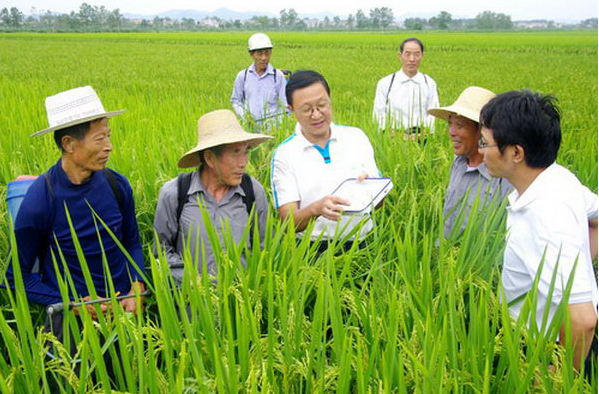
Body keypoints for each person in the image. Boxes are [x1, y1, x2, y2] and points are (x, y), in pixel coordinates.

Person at [478, 90, 598, 372]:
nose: (481, 150)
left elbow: (583, 320)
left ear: (516, 153)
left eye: (486, 143)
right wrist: (578, 260)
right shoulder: (557, 177)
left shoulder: (546, 213)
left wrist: (555, 379)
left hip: (544, 349)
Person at [6, 85, 146, 323]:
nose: (109, 146)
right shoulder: (41, 199)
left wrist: (137, 286)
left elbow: (131, 242)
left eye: (108, 136)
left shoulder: (117, 185)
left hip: (124, 313)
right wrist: (70, 304)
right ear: (69, 144)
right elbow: (16, 277)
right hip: (72, 322)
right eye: (100, 138)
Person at [154, 109, 272, 284]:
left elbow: (264, 249)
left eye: (246, 151)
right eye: (235, 152)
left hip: (241, 304)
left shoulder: (253, 192)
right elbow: (161, 251)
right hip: (191, 303)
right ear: (210, 158)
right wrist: (192, 282)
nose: (243, 162)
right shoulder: (175, 193)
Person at [271, 70, 381, 252]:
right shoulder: (285, 154)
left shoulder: (356, 137)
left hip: (363, 246)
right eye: (307, 109)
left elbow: (379, 203)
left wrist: (369, 188)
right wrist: (316, 209)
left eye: (322, 105)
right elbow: (288, 222)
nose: (316, 115)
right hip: (313, 251)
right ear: (291, 110)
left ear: (330, 99)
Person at [428, 86, 513, 238]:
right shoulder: (458, 161)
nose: (451, 132)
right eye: (450, 124)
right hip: (445, 255)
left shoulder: (504, 175)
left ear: (483, 131)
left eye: (459, 125)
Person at [373, 37, 439, 135]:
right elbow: (378, 113)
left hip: (422, 137)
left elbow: (433, 113)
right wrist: (390, 133)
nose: (412, 59)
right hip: (392, 137)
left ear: (422, 56)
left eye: (417, 54)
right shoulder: (386, 83)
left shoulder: (429, 83)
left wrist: (423, 133)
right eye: (407, 54)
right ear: (400, 56)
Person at [230, 32, 287, 127]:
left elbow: (286, 104)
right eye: (259, 54)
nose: (264, 58)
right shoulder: (242, 76)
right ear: (251, 54)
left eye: (267, 53)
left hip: (273, 129)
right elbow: (236, 101)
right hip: (249, 128)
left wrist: (277, 122)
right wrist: (245, 116)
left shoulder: (278, 76)